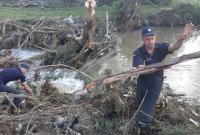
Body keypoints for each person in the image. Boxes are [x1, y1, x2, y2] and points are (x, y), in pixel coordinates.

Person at [132, 23, 195, 135]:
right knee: (140, 102)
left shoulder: (160, 47)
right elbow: (141, 69)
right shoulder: (138, 52)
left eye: (152, 38)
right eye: (147, 39)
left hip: (156, 82)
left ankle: (143, 128)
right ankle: (141, 122)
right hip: (143, 82)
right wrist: (161, 66)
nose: (150, 41)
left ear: (155, 38)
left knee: (149, 104)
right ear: (142, 39)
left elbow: (173, 47)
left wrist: (181, 38)